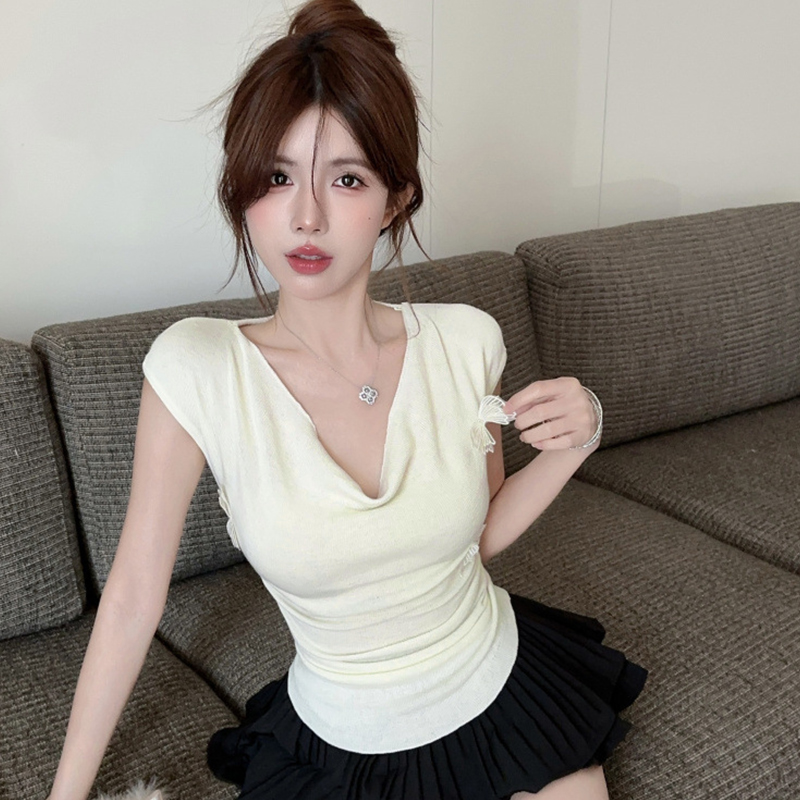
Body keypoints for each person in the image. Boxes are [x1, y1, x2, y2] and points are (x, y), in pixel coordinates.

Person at [47, 1, 647, 799]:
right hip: (341, 732)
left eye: (347, 178)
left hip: (497, 680)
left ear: (396, 198)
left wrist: (579, 439)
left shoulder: (466, 340)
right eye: (277, 177)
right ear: (243, 191)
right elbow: (130, 599)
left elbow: (473, 539)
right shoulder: (196, 369)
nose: (305, 216)